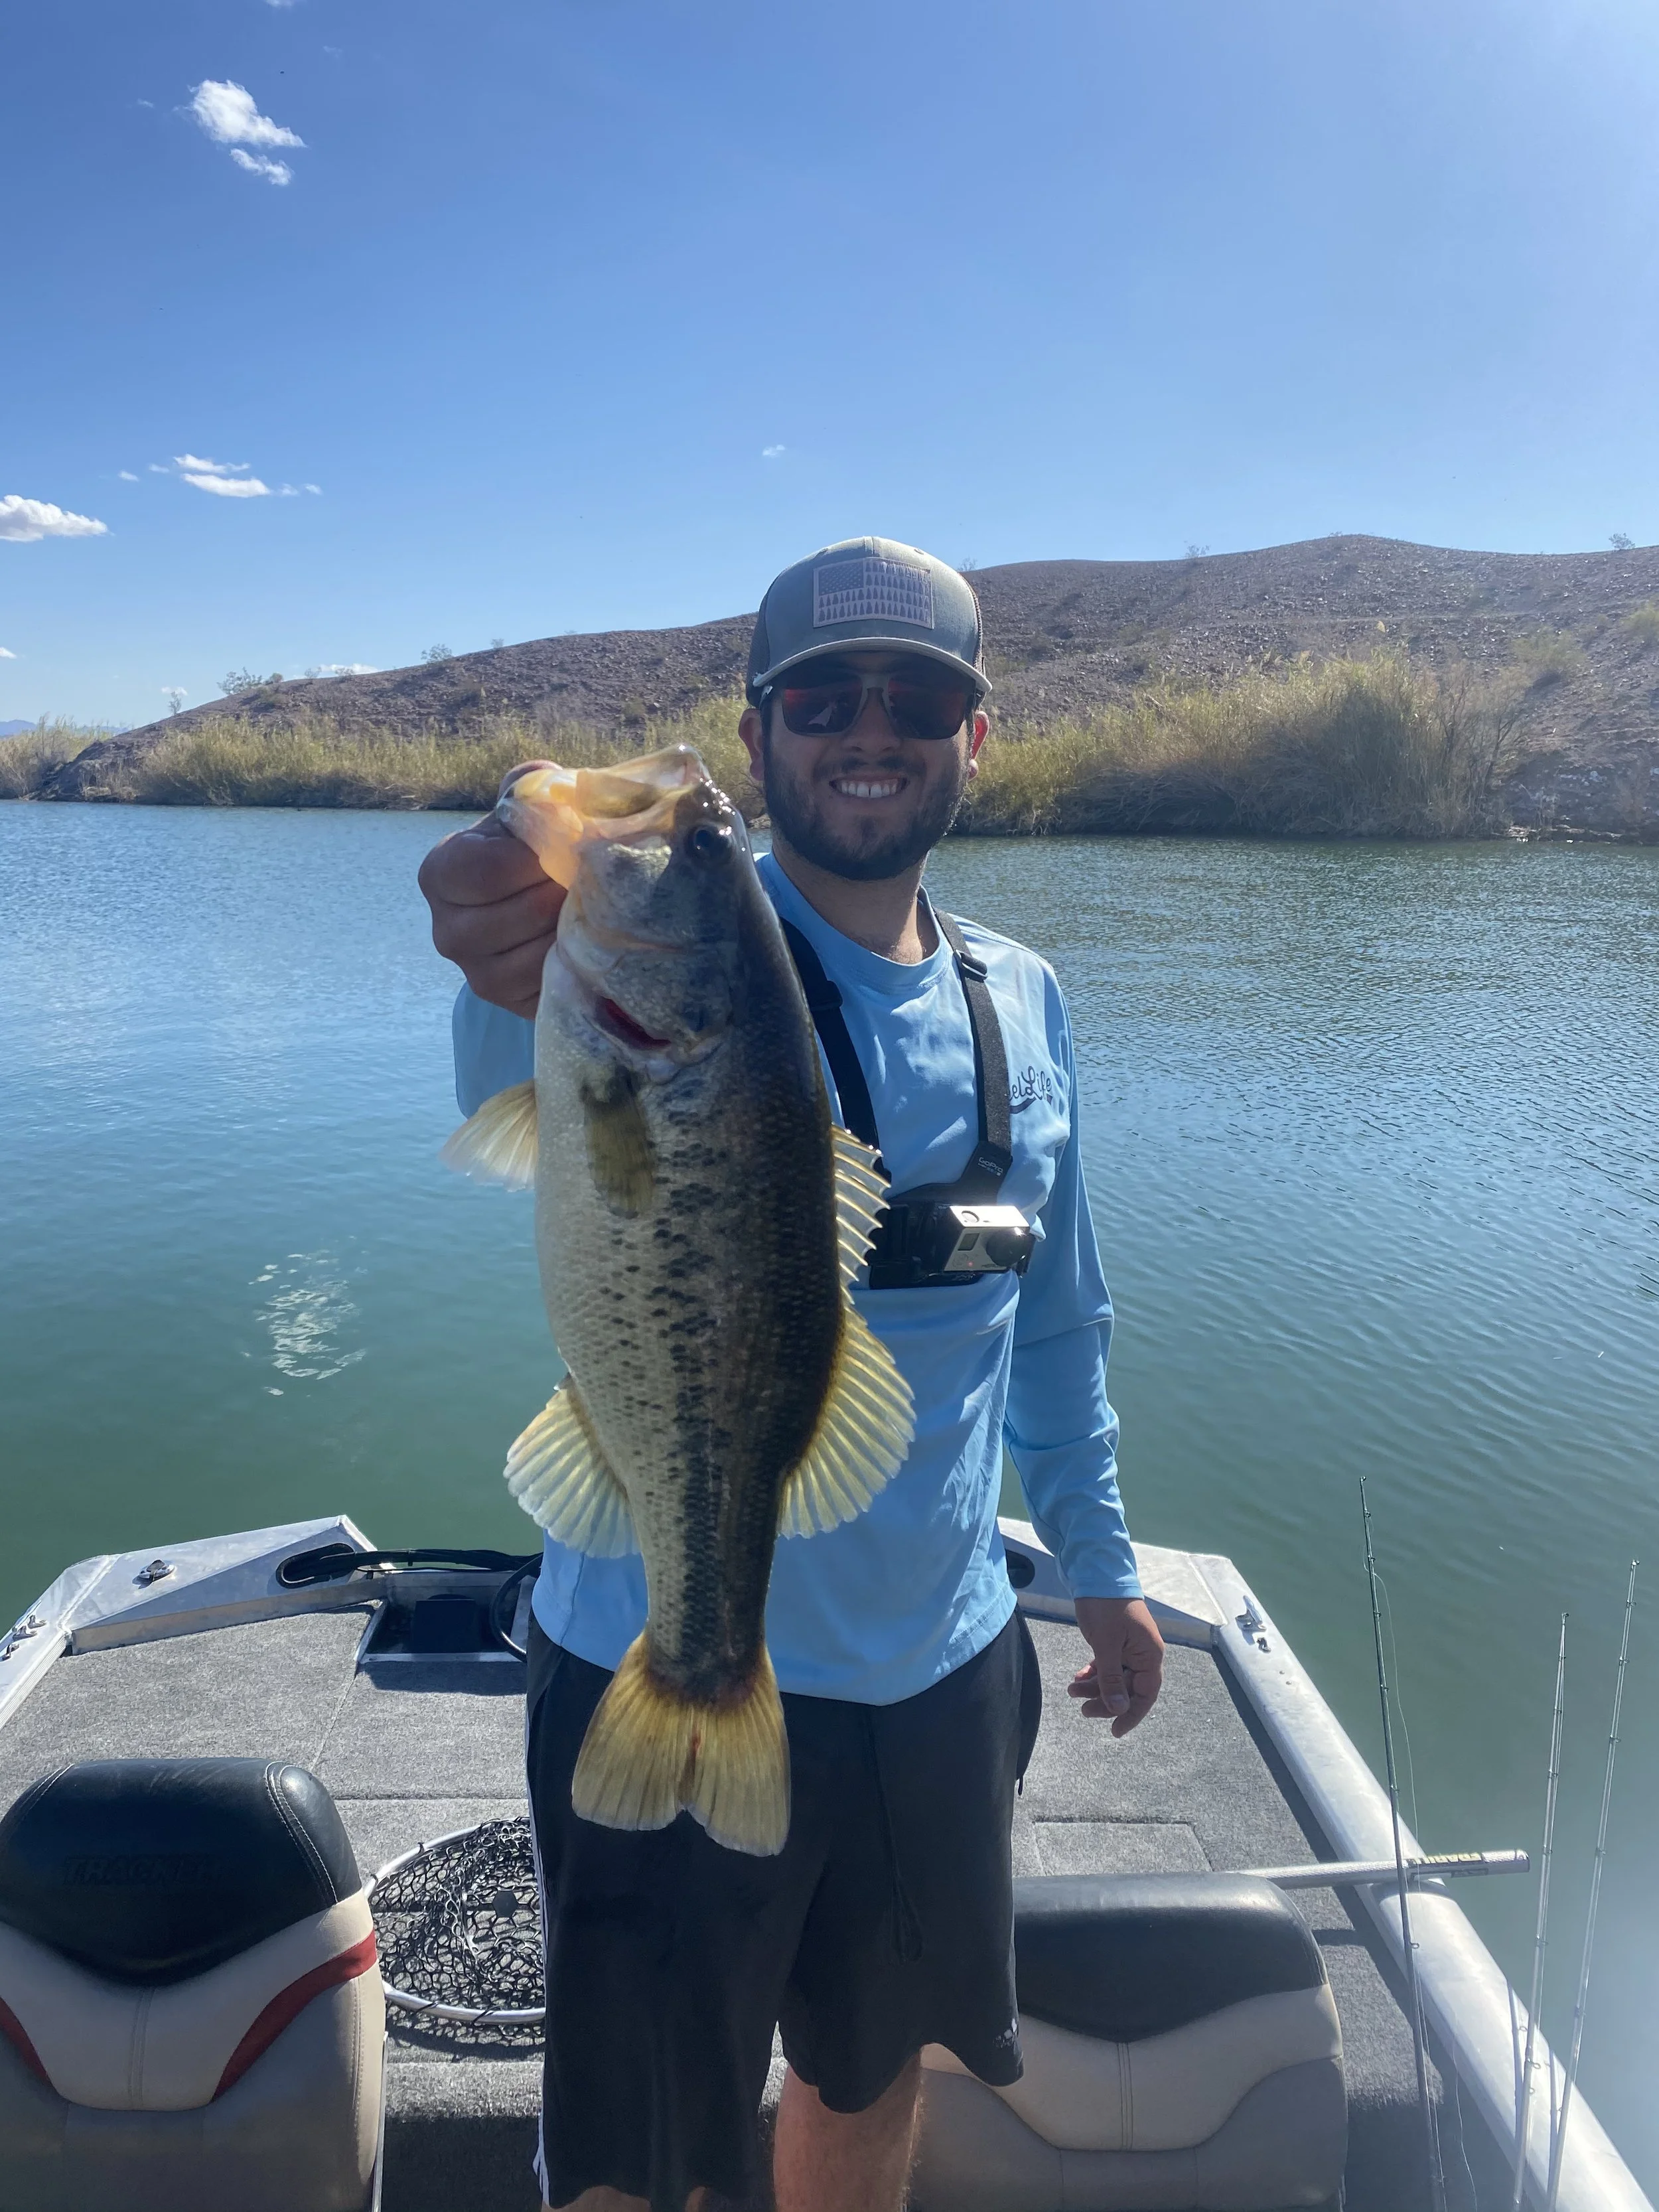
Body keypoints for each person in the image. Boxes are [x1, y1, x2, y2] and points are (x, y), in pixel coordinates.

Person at [419, 536, 1165, 2212]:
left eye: (915, 696)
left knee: (869, 2062)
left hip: (941, 1675)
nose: (866, 727)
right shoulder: (614, 965)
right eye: (820, 695)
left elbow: (1058, 1318)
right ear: (758, 735)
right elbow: (508, 999)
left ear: (975, 737)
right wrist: (508, 898)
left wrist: (1102, 1566)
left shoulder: (1026, 1001)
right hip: (647, 1643)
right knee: (642, 2130)